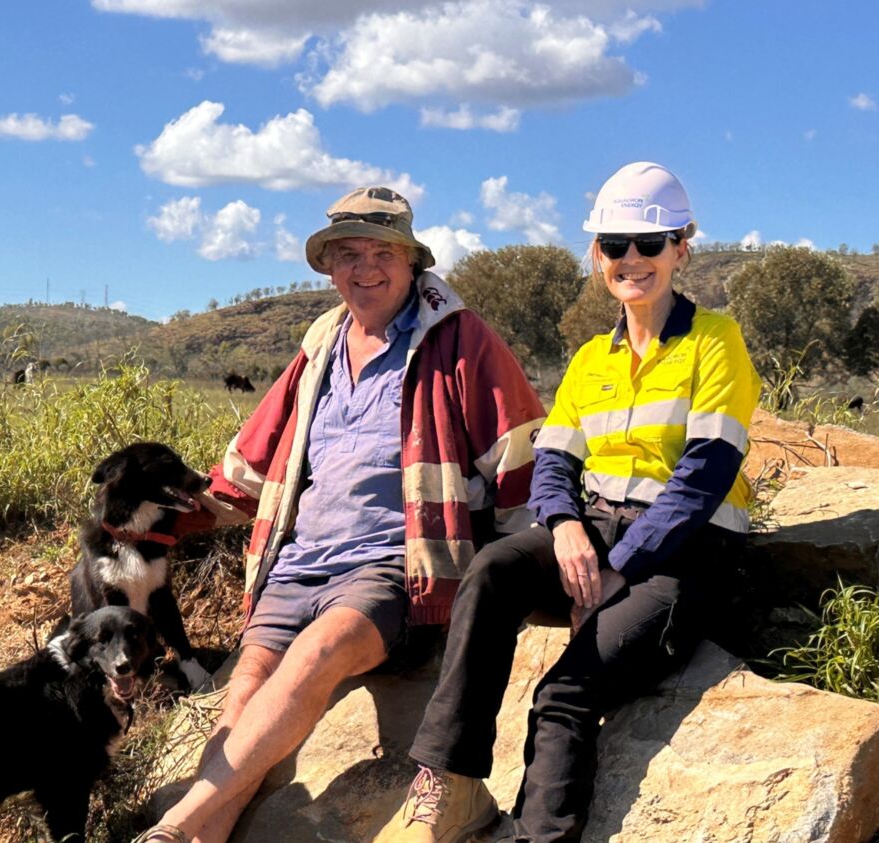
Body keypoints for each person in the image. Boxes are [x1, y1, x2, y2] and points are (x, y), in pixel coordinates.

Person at [134, 186, 546, 843]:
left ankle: (177, 826)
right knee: (243, 689)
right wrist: (159, 519)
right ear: (329, 267)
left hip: (392, 570)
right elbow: (247, 471)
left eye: (384, 251)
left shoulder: (458, 339)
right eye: (348, 253)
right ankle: (200, 835)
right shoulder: (317, 350)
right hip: (295, 564)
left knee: (320, 649)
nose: (366, 267)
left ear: (412, 261)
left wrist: (539, 563)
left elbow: (522, 454)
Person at [376, 162, 761, 843]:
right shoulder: (590, 359)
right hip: (598, 536)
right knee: (492, 572)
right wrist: (563, 530)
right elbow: (553, 462)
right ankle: (451, 784)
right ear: (597, 253)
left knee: (561, 694)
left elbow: (705, 474)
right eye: (615, 244)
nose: (631, 259)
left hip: (685, 556)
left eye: (650, 242)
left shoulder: (716, 342)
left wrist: (621, 571)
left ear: (682, 247)